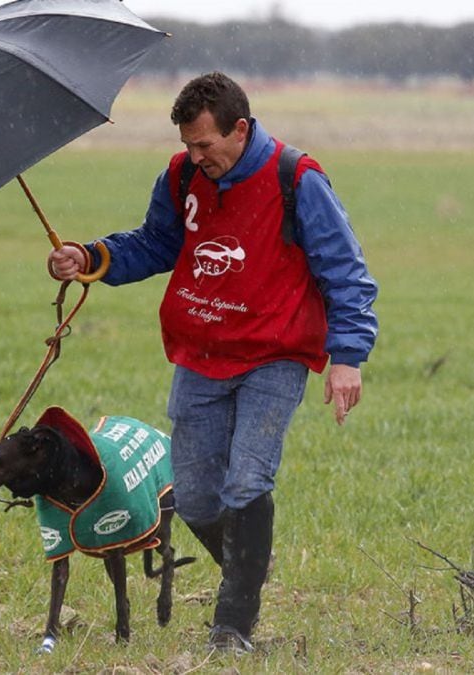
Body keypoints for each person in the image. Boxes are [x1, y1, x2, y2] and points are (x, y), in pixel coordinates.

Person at [48, 72, 378, 653]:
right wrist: (90, 255)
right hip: (200, 355)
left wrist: (348, 357)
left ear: (241, 129)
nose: (196, 158)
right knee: (197, 498)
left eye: (205, 145)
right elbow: (154, 243)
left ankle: (232, 627)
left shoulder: (296, 179)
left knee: (247, 481)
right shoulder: (182, 177)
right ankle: (250, 558)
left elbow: (345, 270)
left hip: (274, 357)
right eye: (187, 146)